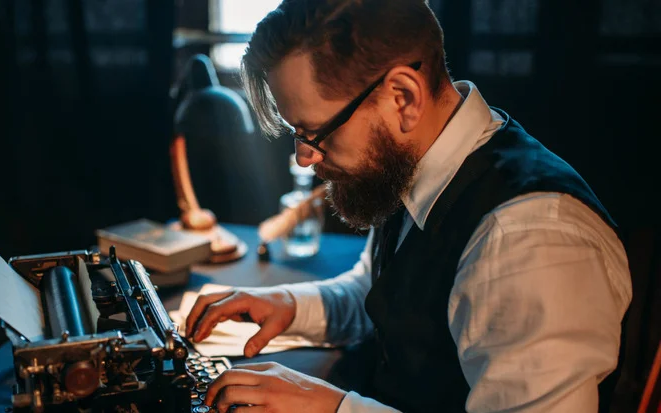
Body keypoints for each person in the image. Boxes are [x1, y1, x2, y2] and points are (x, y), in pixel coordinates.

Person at [184, 1, 632, 412]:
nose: (304, 157)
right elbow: (385, 296)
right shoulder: (417, 162)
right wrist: (290, 305)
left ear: (403, 97)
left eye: (316, 132)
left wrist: (332, 408)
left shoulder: (529, 241)